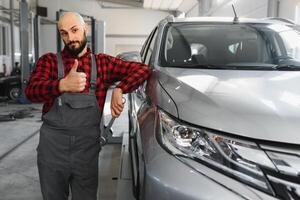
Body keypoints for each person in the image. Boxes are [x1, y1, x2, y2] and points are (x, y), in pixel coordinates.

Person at [25, 12, 151, 200]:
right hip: (52, 150)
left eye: (74, 30)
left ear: (85, 29)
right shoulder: (49, 61)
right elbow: (31, 91)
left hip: (86, 152)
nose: (70, 38)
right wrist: (61, 85)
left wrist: (121, 89)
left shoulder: (103, 64)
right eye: (64, 33)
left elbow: (143, 69)